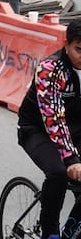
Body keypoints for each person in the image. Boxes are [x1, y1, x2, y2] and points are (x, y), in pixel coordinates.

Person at [18, 19, 81, 239]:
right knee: (59, 173)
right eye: (79, 50)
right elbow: (53, 118)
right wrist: (71, 159)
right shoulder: (50, 69)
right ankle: (50, 233)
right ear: (66, 45)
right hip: (37, 129)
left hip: (74, 129)